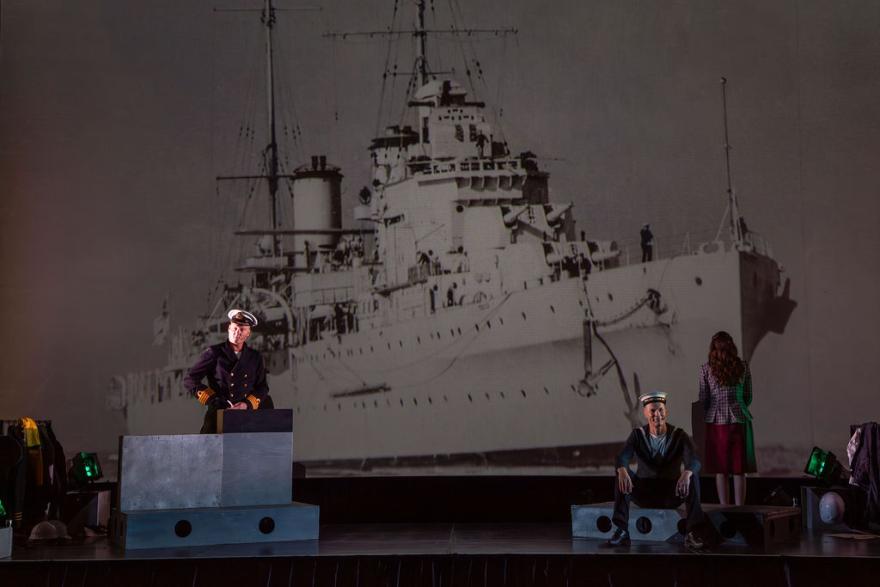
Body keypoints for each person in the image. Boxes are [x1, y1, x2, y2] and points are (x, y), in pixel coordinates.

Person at [607, 391, 706, 550]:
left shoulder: (679, 435)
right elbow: (622, 456)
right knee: (621, 473)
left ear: (666, 412)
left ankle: (693, 533)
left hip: (671, 494)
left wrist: (687, 473)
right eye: (652, 411)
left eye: (660, 410)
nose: (657, 414)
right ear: (646, 414)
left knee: (692, 476)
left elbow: (694, 460)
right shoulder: (638, 435)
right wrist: (622, 469)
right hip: (645, 494)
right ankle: (621, 530)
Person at [184, 309, 273, 434]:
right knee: (210, 449)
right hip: (221, 412)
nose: (238, 332)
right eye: (235, 328)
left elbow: (262, 387)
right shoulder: (214, 353)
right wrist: (212, 400)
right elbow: (190, 379)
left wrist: (247, 404)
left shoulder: (255, 357)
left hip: (248, 415)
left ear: (248, 333)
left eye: (242, 329)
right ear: (229, 328)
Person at [698, 331, 756, 505]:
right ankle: (741, 510)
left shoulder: (705, 369)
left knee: (720, 470)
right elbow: (748, 396)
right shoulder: (743, 366)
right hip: (739, 421)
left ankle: (725, 509)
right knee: (739, 471)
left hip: (717, 422)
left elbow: (703, 399)